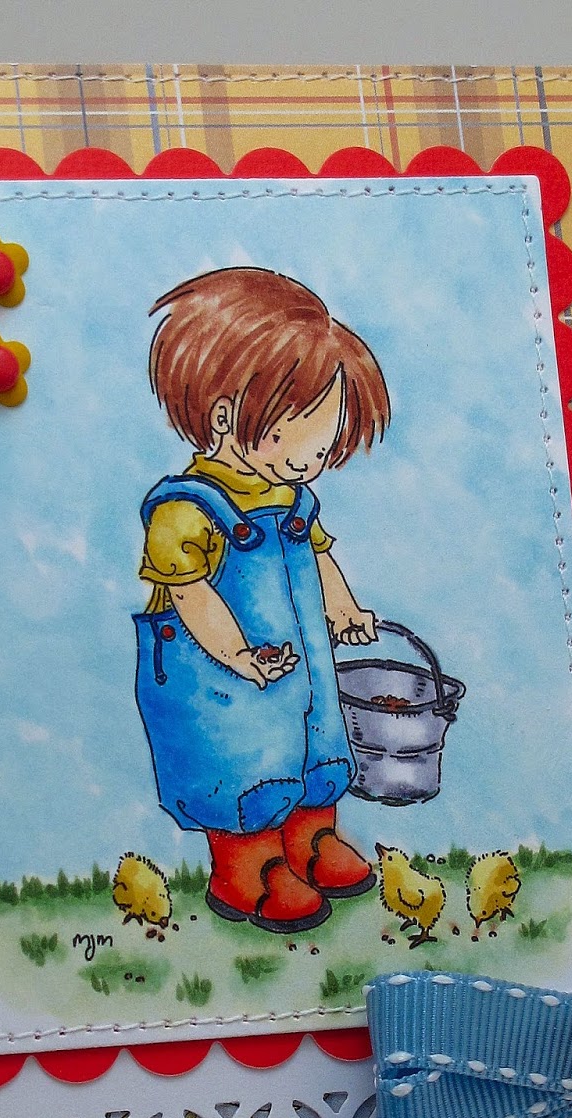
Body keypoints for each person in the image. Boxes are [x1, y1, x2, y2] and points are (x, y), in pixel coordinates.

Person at [134, 266, 390, 933]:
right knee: (243, 761)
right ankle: (246, 867)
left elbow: (319, 556)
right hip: (218, 678)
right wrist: (237, 653)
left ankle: (311, 838)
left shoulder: (291, 498)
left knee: (313, 740)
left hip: (299, 666)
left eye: (326, 446)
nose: (314, 462)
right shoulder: (187, 510)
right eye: (301, 441)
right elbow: (188, 593)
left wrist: (344, 610)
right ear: (226, 417)